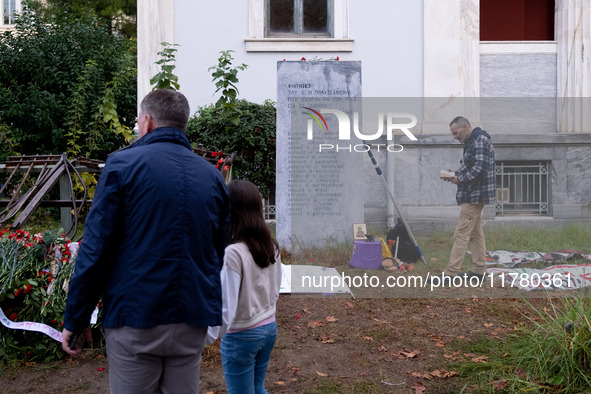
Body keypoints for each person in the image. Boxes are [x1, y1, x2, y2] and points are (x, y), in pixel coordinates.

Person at [62, 89, 231, 394]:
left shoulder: (122, 166)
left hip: (136, 317)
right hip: (191, 318)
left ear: (148, 121)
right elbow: (216, 253)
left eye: (138, 121)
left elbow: (96, 249)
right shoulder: (213, 176)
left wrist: (76, 316)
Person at [207, 179, 282, 394]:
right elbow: (276, 287)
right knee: (258, 388)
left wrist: (210, 335)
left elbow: (226, 304)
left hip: (242, 334)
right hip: (269, 327)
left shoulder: (233, 253)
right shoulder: (271, 245)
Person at [440, 116, 495, 280]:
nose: (455, 136)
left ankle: (450, 273)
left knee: (461, 235)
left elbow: (480, 170)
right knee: (475, 235)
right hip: (473, 195)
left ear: (465, 126)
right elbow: (473, 168)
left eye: (456, 132)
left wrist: (460, 179)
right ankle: (478, 271)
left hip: (474, 196)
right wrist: (454, 174)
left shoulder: (480, 141)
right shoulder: (473, 142)